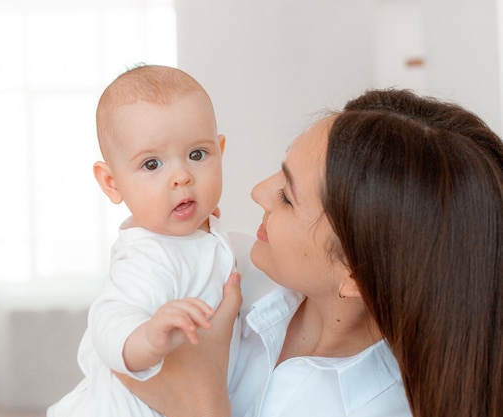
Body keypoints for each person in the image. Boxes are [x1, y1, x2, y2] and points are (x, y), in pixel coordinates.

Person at [118, 88, 503, 417]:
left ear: (354, 274)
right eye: (280, 173)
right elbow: (108, 339)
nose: (258, 192)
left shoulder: (374, 406)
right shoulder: (232, 271)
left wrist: (204, 404)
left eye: (286, 196)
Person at [47, 64, 239, 417]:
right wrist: (147, 338)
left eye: (198, 155)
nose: (182, 177)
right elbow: (108, 318)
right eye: (152, 164)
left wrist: (204, 211)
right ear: (112, 183)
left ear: (220, 151)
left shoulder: (191, 226)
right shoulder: (146, 257)